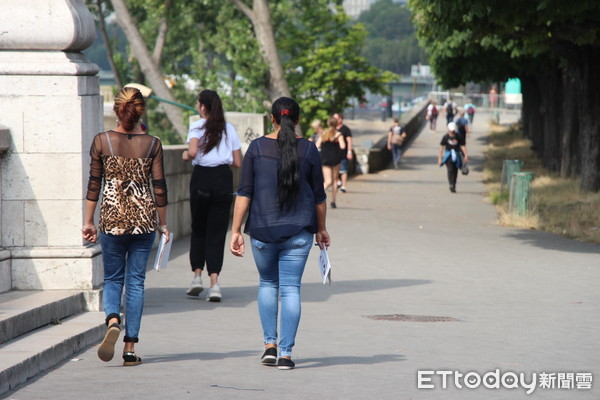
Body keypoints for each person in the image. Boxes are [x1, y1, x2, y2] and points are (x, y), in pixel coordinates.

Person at [230, 97, 330, 370]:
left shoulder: (257, 148)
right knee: (290, 289)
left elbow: (244, 193)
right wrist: (321, 229)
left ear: (272, 118)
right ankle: (286, 354)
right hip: (298, 233)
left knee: (267, 285)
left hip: (263, 231)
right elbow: (319, 197)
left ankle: (269, 346)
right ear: (296, 120)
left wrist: (236, 230)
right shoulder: (309, 149)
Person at [82, 87, 169, 366]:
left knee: (112, 279)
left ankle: (112, 319)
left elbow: (94, 184)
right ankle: (130, 348)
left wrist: (88, 221)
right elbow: (160, 188)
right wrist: (163, 224)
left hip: (111, 221)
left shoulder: (102, 141)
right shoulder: (153, 144)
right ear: (140, 110)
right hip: (143, 222)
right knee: (135, 283)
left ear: (116, 109)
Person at [182, 89, 242, 302]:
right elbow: (237, 162)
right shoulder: (229, 129)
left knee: (198, 229)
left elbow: (191, 153)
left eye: (198, 104)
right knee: (217, 233)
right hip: (222, 179)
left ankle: (197, 277)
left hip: (201, 179)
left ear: (203, 107)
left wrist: (184, 154)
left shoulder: (196, 127)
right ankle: (214, 284)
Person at [316, 117, 346, 208]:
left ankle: (317, 196)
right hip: (336, 159)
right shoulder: (339, 134)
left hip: (325, 159)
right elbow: (343, 146)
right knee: (334, 180)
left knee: (327, 180)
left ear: (328, 124)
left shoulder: (324, 134)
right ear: (336, 124)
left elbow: (317, 145)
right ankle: (333, 200)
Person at [438, 122, 469, 193]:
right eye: (451, 130)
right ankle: (451, 184)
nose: (452, 131)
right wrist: (440, 158)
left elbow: (463, 146)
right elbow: (441, 148)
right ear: (448, 129)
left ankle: (454, 185)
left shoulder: (458, 136)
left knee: (455, 171)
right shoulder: (445, 137)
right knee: (450, 170)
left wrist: (466, 155)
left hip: (457, 155)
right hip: (448, 156)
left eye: (453, 130)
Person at [333, 112, 352, 193]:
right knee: (333, 170)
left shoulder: (346, 129)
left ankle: (343, 186)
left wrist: (349, 151)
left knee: (343, 170)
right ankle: (338, 181)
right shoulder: (332, 128)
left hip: (343, 153)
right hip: (333, 153)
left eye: (336, 118)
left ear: (340, 119)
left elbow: (349, 141)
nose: (334, 120)